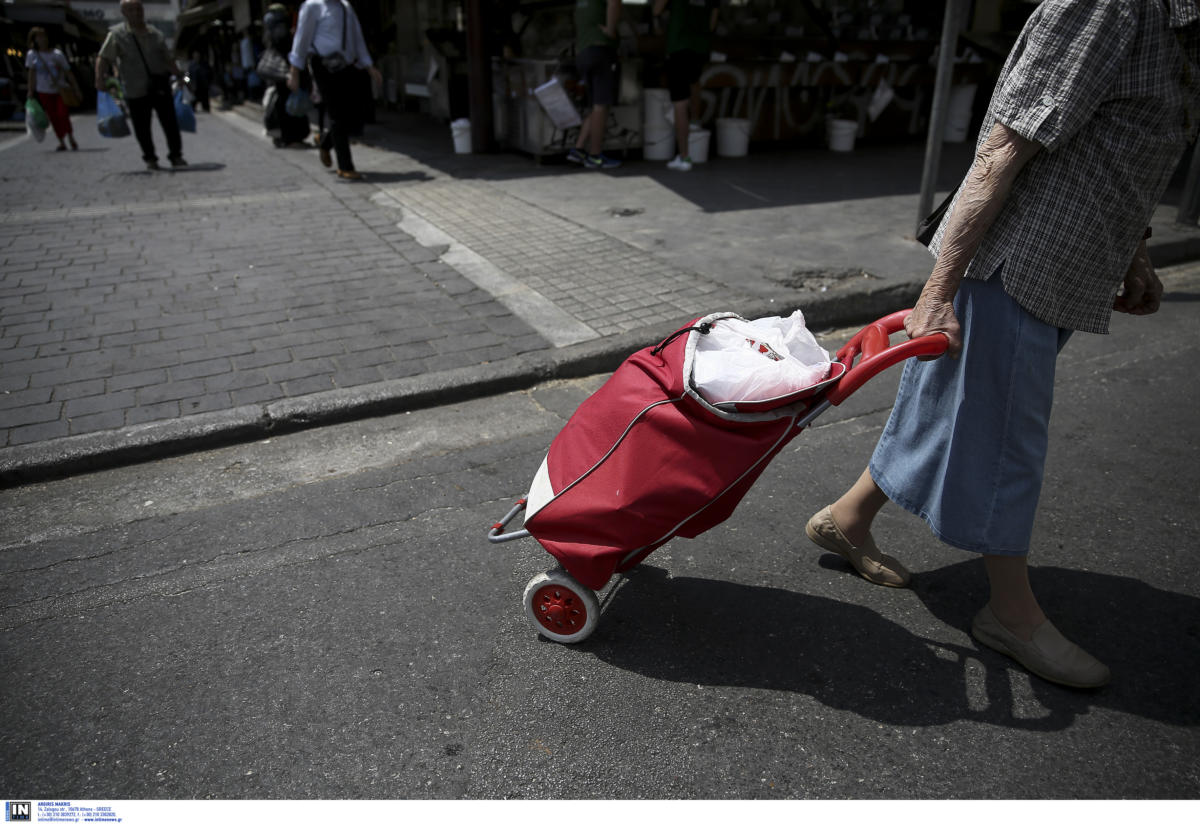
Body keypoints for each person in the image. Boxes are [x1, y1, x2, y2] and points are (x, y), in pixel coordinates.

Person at [805, 0, 1200, 690]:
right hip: (1015, 265)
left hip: (1066, 267)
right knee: (1004, 438)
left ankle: (847, 518)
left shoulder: (1175, 22)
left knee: (947, 406)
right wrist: (936, 293)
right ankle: (1011, 615)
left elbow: (1124, 149)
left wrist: (1133, 253)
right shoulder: (1110, 5)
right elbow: (1001, 148)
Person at [287, 0, 382, 181]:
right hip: (323, 65)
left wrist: (369, 66)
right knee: (337, 114)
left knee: (353, 112)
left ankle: (325, 142)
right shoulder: (313, 6)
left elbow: (357, 38)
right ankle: (345, 166)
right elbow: (302, 39)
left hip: (346, 65)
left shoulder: (346, 6)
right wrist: (295, 71)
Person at [95, 0, 187, 170]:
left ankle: (176, 155)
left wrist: (181, 77)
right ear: (124, 13)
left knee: (170, 122)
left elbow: (168, 60)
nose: (136, 13)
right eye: (131, 10)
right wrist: (99, 79)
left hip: (159, 86)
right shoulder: (117, 35)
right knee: (142, 127)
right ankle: (150, 157)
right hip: (135, 89)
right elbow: (103, 58)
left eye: (138, 9)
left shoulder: (155, 33)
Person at [653, 0, 718, 171]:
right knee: (695, 83)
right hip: (701, 48)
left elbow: (656, 10)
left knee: (680, 103)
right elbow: (712, 24)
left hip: (679, 47)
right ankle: (696, 121)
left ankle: (684, 157)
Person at [567, 0, 623, 170]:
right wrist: (611, 31)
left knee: (594, 106)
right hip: (601, 50)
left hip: (584, 53)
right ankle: (595, 155)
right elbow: (615, 3)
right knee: (601, 106)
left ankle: (578, 148)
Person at [25, 27, 80, 152]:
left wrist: (76, 88)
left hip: (60, 90)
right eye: (38, 37)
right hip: (43, 91)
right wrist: (30, 90)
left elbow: (68, 72)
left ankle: (71, 137)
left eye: (43, 36)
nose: (42, 39)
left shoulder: (57, 54)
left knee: (63, 114)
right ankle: (61, 141)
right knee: (54, 117)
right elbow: (31, 74)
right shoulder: (32, 55)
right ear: (34, 40)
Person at [262, 4, 310, 147]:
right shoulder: (280, 25)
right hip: (287, 70)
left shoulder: (269, 25)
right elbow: (285, 45)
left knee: (282, 103)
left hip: (278, 72)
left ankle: (286, 136)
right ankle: (292, 138)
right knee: (289, 103)